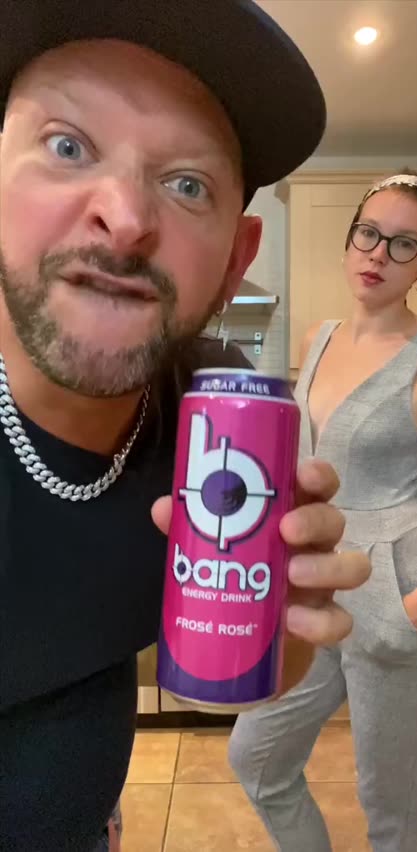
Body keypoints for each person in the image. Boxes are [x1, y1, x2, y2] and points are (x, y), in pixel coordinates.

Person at [0, 2, 372, 850]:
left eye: (187, 184)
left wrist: (289, 617)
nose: (127, 216)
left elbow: (266, 669)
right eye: (68, 146)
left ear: (236, 258)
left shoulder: (214, 407)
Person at [230, 170, 417, 852]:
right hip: (322, 592)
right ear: (350, 240)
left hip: (405, 594)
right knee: (256, 759)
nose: (379, 254)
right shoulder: (318, 338)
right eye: (369, 234)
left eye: (405, 245)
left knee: (392, 812)